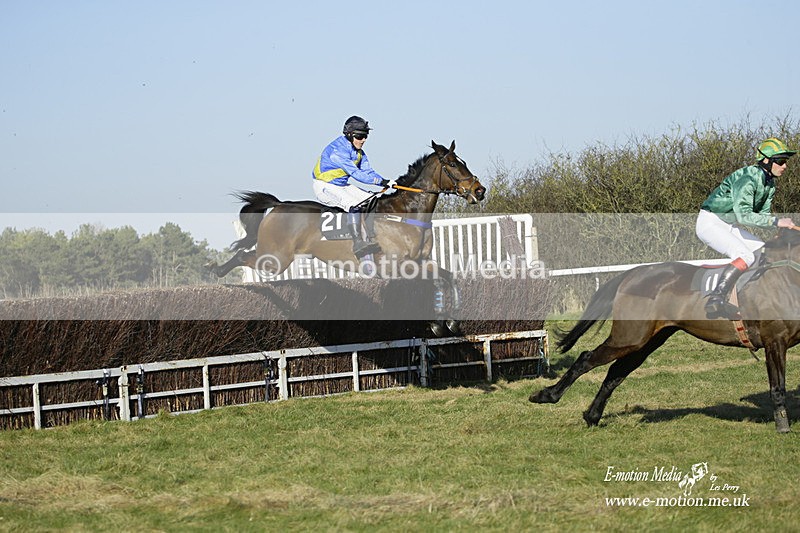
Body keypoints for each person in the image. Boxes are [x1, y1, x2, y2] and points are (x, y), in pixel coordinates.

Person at [695, 137, 796, 319]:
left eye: (785, 162)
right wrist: (777, 222)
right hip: (710, 222)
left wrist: (781, 226)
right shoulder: (748, 177)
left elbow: (762, 216)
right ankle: (716, 298)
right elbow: (744, 215)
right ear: (766, 160)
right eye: (780, 161)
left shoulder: (769, 183)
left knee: (762, 252)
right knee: (746, 256)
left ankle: (748, 298)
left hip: (728, 224)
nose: (784, 166)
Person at [312, 116, 397, 257]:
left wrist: (387, 181)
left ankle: (371, 235)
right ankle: (358, 243)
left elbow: (368, 172)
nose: (363, 140)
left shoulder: (359, 153)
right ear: (350, 135)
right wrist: (381, 181)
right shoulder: (337, 151)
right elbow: (357, 174)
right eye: (360, 136)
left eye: (365, 136)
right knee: (354, 205)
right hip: (324, 186)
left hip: (342, 185)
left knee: (371, 199)